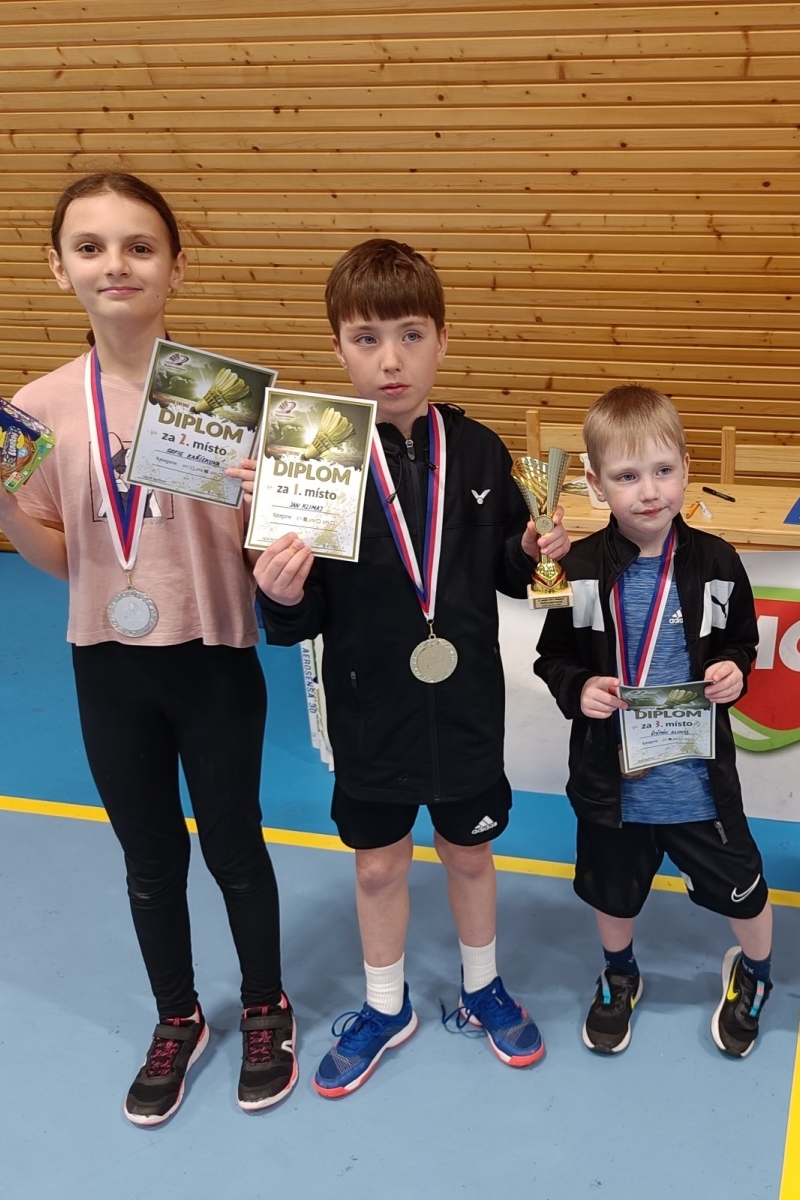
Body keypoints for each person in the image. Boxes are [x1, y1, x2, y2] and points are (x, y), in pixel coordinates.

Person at [0, 171, 294, 1126]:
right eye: (89, 247)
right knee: (148, 856)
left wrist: (271, 511)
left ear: (178, 265)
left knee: (235, 844)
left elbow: (273, 547)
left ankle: (267, 1005)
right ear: (59, 269)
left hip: (215, 655)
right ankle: (179, 1016)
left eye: (139, 245)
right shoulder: (40, 407)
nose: (116, 264)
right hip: (108, 659)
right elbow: (65, 558)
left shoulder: (230, 398)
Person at [253, 238, 567, 1095]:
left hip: (465, 705)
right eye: (366, 338)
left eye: (410, 335)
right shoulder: (314, 462)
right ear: (337, 348)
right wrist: (280, 593)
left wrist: (533, 551)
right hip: (370, 708)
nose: (390, 359)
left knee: (469, 855)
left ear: (442, 340)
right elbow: (301, 616)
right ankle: (385, 1005)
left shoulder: (480, 451)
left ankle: (482, 988)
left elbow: (507, 573)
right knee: (378, 864)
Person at [532, 384, 773, 1057]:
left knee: (744, 892)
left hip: (697, 783)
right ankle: (620, 974)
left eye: (663, 470)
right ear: (594, 484)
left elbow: (741, 641)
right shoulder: (578, 570)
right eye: (627, 476)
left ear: (687, 469)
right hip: (614, 785)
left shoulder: (717, 561)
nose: (648, 491)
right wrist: (579, 687)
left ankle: (755, 972)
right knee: (613, 895)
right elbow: (553, 658)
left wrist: (735, 670)